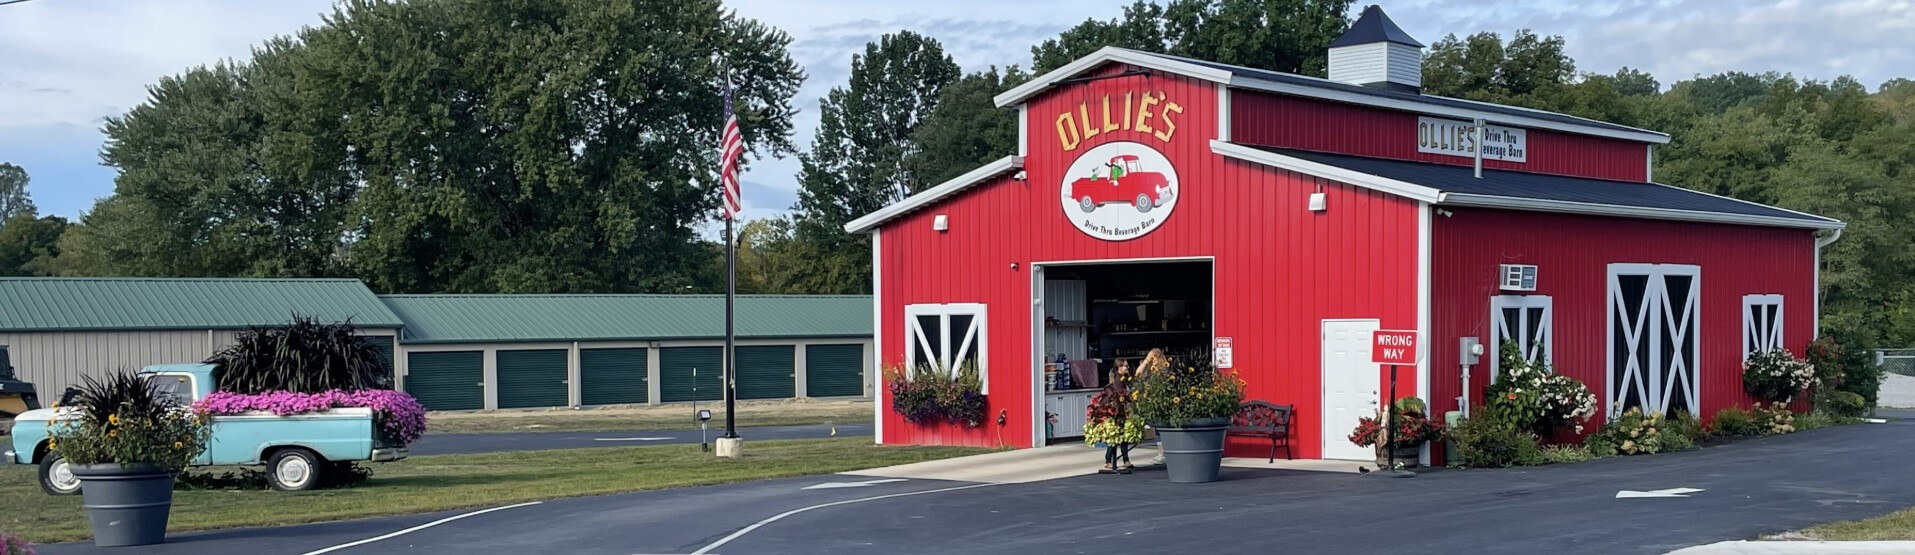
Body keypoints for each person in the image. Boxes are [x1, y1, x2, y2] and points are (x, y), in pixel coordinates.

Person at [1135, 348, 1172, 466]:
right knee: (1156, 429)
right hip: (1151, 400)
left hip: (1161, 401)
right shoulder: (1148, 369)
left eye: (1154, 358)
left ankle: (1164, 454)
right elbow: (1138, 374)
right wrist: (1146, 361)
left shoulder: (1164, 369)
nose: (1152, 360)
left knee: (1161, 428)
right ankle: (1161, 454)